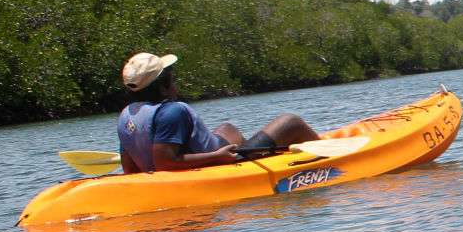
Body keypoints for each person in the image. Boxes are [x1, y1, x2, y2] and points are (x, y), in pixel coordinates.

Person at [117, 53, 321, 173]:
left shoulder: (127, 115)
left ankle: (264, 155)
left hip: (211, 154)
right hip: (219, 162)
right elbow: (164, 162)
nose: (175, 85)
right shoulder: (172, 112)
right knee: (291, 122)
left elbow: (130, 169)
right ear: (163, 87)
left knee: (227, 128)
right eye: (172, 80)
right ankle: (330, 159)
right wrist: (216, 156)